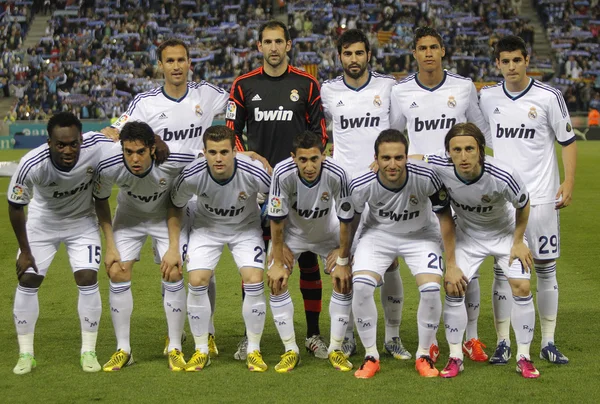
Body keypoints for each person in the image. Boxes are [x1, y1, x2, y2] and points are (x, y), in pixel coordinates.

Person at [102, 38, 230, 357]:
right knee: (169, 267)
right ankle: (175, 334)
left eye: (181, 60)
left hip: (197, 192)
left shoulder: (208, 94)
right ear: (160, 65)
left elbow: (238, 110)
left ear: (190, 63)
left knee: (201, 266)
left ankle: (209, 331)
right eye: (169, 61)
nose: (175, 66)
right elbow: (115, 131)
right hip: (158, 193)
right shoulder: (145, 103)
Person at [226, 20, 329, 360]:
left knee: (308, 258)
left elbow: (321, 133)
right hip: (255, 186)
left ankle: (313, 334)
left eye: (278, 42)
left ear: (288, 45)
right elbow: (231, 133)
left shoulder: (307, 84)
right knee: (254, 263)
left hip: (300, 187)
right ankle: (249, 336)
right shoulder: (243, 85)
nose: (273, 47)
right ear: (259, 46)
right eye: (266, 42)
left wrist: (303, 165)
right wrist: (250, 156)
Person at [389, 26, 492, 362]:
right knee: (433, 270)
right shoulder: (401, 91)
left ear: (443, 50)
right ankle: (431, 341)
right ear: (414, 53)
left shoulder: (463, 87)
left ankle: (471, 338)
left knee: (467, 267)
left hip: (460, 187)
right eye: (422, 48)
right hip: (421, 190)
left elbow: (480, 132)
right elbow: (392, 135)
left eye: (434, 47)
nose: (429, 53)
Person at [480, 35, 576, 365]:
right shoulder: (488, 97)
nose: (510, 67)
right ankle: (503, 342)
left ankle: (548, 341)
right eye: (504, 61)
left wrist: (569, 180)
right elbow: (481, 138)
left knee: (547, 270)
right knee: (503, 272)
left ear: (527, 60)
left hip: (542, 199)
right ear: (497, 64)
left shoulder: (549, 97)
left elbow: (567, 140)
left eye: (516, 60)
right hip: (504, 203)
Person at [421, 122, 539, 378]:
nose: (463, 156)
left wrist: (518, 241)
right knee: (453, 286)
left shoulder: (503, 174)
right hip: (468, 235)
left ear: (480, 150)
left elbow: (524, 203)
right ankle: (455, 357)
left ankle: (524, 357)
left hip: (505, 234)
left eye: (469, 149)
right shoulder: (441, 167)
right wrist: (450, 264)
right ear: (448, 152)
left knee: (522, 286)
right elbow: (416, 158)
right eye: (457, 150)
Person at [321, 29, 408, 360]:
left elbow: (397, 131)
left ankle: (393, 337)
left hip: (382, 188)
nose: (353, 59)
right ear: (339, 57)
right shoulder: (328, 91)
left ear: (368, 55)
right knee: (343, 262)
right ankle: (347, 337)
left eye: (359, 53)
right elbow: (319, 129)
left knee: (390, 263)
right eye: (347, 53)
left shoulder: (387, 88)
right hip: (344, 190)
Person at [8, 112, 114, 374]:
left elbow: (130, 142)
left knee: (88, 277)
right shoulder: (31, 164)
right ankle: (26, 354)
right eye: (61, 144)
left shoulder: (97, 146)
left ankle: (88, 351)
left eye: (73, 143)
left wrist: (156, 141)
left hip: (81, 222)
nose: (68, 150)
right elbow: (15, 207)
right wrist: (25, 250)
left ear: (81, 139)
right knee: (29, 279)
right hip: (42, 223)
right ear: (49, 142)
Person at [348, 129, 455, 379]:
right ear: (376, 158)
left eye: (399, 157)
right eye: (386, 158)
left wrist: (451, 262)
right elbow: (351, 221)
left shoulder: (427, 176)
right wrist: (345, 256)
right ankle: (370, 356)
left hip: (421, 235)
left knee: (430, 290)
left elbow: (445, 217)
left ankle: (423, 355)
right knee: (362, 287)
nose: (392, 164)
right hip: (378, 235)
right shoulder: (361, 183)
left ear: (408, 156)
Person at [93, 121, 195, 372]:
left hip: (165, 216)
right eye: (128, 152)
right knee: (117, 271)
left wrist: (173, 248)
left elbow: (209, 158)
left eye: (140, 151)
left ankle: (175, 347)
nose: (134, 158)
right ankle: (123, 349)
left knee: (173, 271)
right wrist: (110, 246)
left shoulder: (176, 156)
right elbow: (101, 201)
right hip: (129, 217)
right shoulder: (109, 164)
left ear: (152, 148)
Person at [169, 125, 271, 372]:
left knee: (254, 279)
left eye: (224, 152)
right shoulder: (191, 174)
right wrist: (174, 246)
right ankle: (201, 350)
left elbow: (278, 196)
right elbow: (175, 205)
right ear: (203, 152)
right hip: (207, 228)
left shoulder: (254, 171)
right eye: (212, 152)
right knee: (197, 280)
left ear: (235, 151)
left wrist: (276, 242)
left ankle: (254, 350)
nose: (218, 158)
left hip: (245, 228)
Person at [266, 131, 354, 373]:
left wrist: (343, 256)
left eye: (314, 159)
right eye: (303, 160)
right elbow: (276, 217)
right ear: (293, 157)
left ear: (324, 156)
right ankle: (290, 350)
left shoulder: (337, 174)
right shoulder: (282, 172)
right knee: (276, 279)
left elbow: (346, 219)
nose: (309, 166)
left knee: (343, 279)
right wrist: (277, 254)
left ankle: (336, 348)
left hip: (328, 235)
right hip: (293, 235)